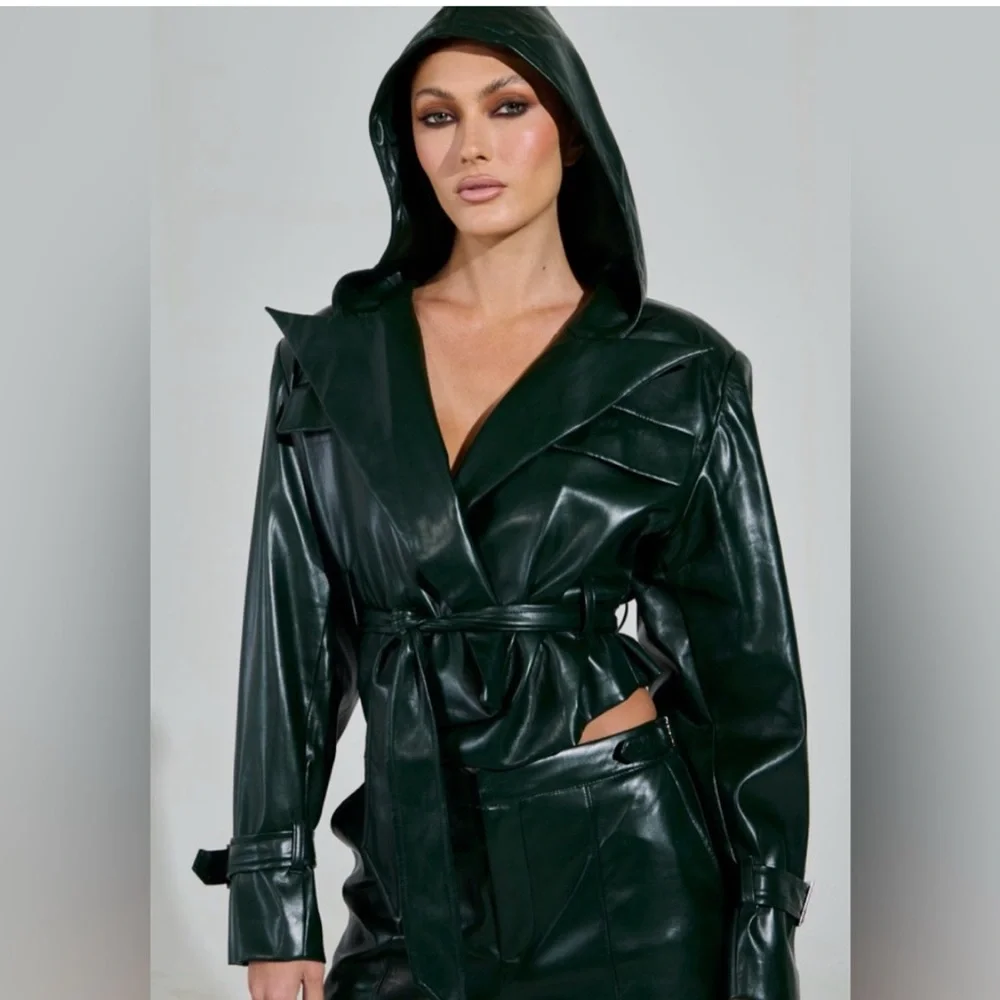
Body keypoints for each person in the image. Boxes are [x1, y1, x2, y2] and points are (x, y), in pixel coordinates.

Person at [192, 7, 813, 1000]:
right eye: (437, 116)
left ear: (571, 134)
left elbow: (749, 684)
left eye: (508, 106)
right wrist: (273, 903)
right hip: (413, 865)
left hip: (626, 866)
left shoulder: (677, 371)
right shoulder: (334, 362)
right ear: (408, 145)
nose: (470, 145)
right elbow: (292, 647)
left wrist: (762, 928)